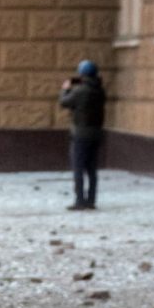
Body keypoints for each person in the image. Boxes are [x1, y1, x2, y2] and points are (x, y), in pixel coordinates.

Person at [59, 60, 106, 211]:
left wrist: (65, 89)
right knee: (92, 169)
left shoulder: (79, 91)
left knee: (78, 168)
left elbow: (64, 102)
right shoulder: (100, 91)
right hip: (96, 133)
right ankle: (91, 200)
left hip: (80, 134)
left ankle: (80, 200)